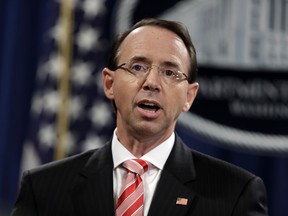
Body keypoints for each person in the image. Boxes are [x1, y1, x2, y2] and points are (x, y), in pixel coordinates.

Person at [11, 18, 268, 216]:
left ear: (189, 96)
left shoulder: (235, 194)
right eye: (138, 67)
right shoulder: (44, 188)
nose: (152, 82)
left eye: (170, 72)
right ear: (109, 83)